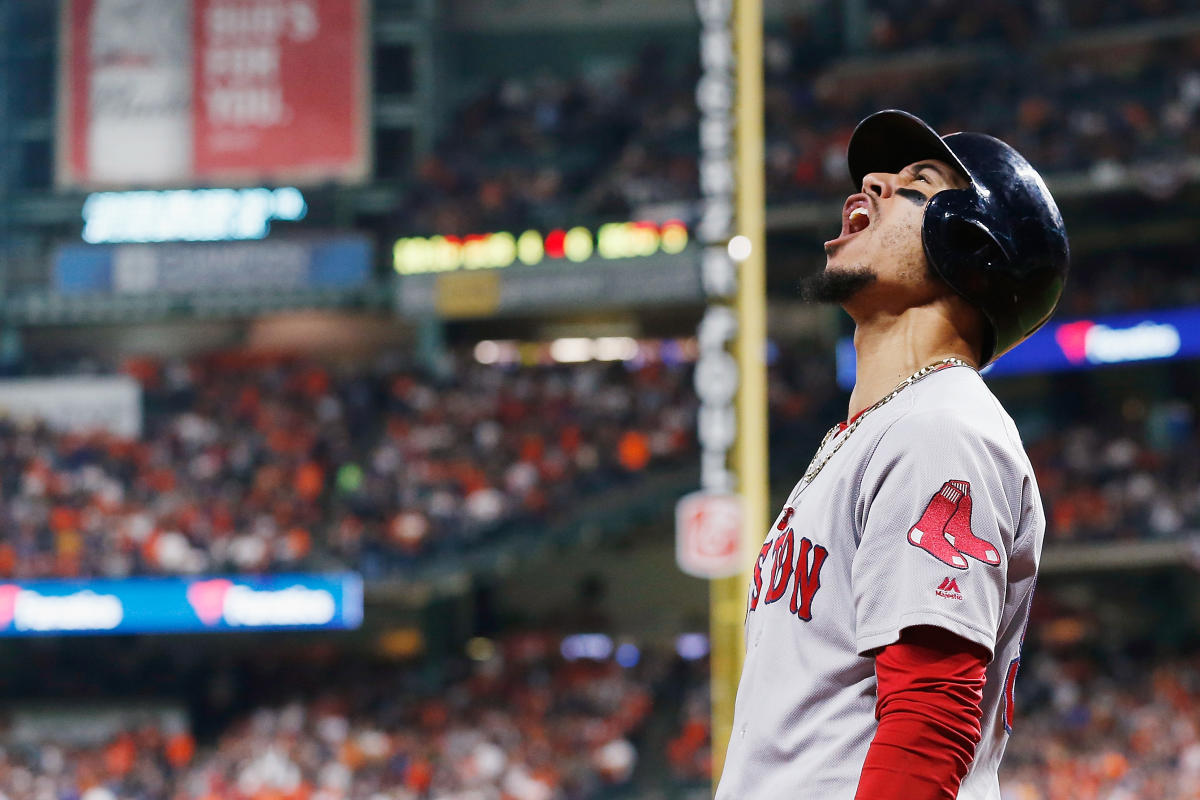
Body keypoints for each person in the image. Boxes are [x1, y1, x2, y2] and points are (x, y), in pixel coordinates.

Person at [714, 110, 1069, 800]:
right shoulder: (877, 432)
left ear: (970, 243)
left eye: (917, 183)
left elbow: (930, 714)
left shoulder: (941, 427)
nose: (870, 183)